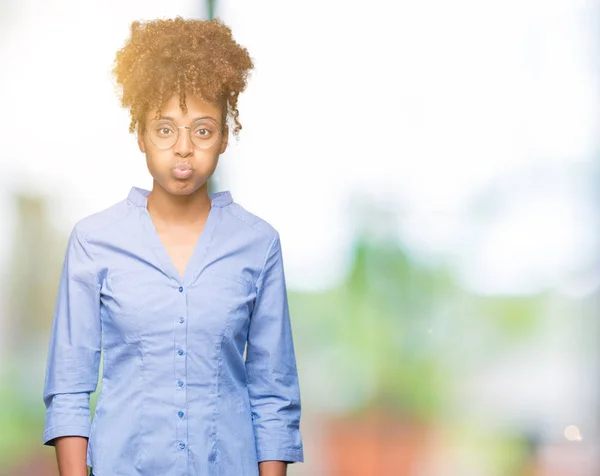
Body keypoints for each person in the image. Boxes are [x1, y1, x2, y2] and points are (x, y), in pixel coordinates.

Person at [42, 17, 304, 476]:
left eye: (202, 130)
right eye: (165, 129)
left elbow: (273, 392)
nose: (184, 148)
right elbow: (69, 387)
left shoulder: (258, 245)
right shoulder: (94, 241)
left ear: (224, 136)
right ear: (140, 133)